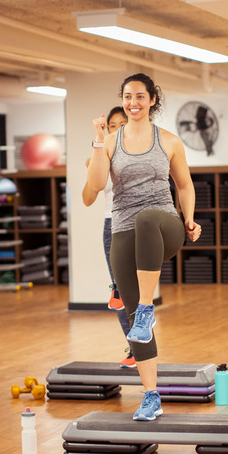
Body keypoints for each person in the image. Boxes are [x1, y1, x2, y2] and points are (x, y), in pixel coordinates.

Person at [86, 73, 201, 421]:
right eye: (127, 96)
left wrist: (190, 218)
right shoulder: (109, 142)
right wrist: (97, 140)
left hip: (164, 226)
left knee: (147, 218)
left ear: (152, 100)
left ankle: (148, 307)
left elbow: (184, 185)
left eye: (139, 96)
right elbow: (94, 187)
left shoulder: (168, 141)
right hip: (123, 230)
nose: (132, 102)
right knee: (134, 318)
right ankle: (151, 396)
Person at [82, 106, 135, 368]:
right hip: (111, 225)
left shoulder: (142, 152)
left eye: (122, 124)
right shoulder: (101, 155)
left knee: (137, 291)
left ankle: (142, 343)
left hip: (138, 226)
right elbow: (88, 199)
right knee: (121, 295)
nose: (117, 129)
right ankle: (134, 347)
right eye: (112, 125)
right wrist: (93, 169)